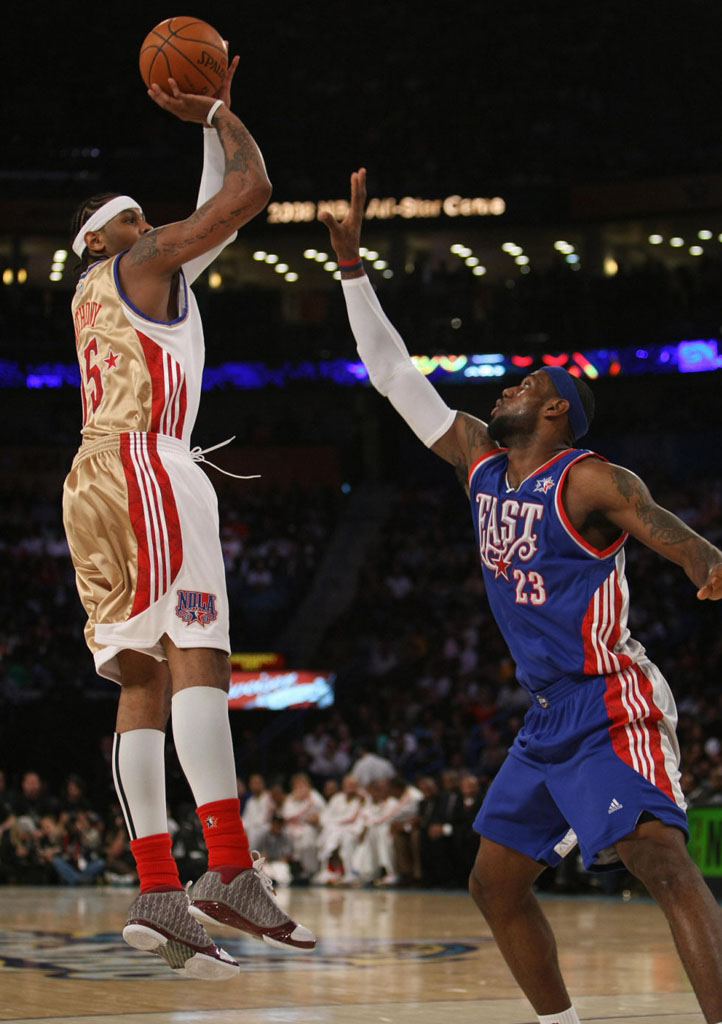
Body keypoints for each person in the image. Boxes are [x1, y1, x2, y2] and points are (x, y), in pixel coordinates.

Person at [320, 168, 722, 1024]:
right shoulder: (479, 462)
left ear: (556, 414)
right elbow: (392, 375)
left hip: (611, 698)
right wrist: (352, 267)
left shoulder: (589, 478)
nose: (507, 387)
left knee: (662, 864)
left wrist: (701, 561)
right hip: (548, 716)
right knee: (493, 884)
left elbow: (664, 528)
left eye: (527, 384)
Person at [62, 62, 315, 980]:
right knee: (200, 654)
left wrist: (211, 129)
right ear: (107, 233)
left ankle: (158, 884)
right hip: (153, 467)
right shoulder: (139, 257)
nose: (154, 222)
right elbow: (249, 193)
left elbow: (205, 214)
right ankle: (232, 869)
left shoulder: (103, 289)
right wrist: (217, 111)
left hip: (94, 473)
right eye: (138, 214)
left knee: (140, 674)